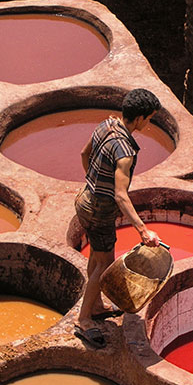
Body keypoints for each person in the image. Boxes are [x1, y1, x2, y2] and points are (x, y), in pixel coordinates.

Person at [73, 89, 162, 349]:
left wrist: (94, 183)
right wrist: (143, 231)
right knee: (104, 267)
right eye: (149, 119)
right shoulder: (125, 152)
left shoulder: (107, 125)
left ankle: (97, 305)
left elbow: (83, 154)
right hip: (100, 210)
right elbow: (121, 196)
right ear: (140, 118)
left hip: (84, 200)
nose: (149, 124)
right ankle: (84, 320)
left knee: (97, 258)